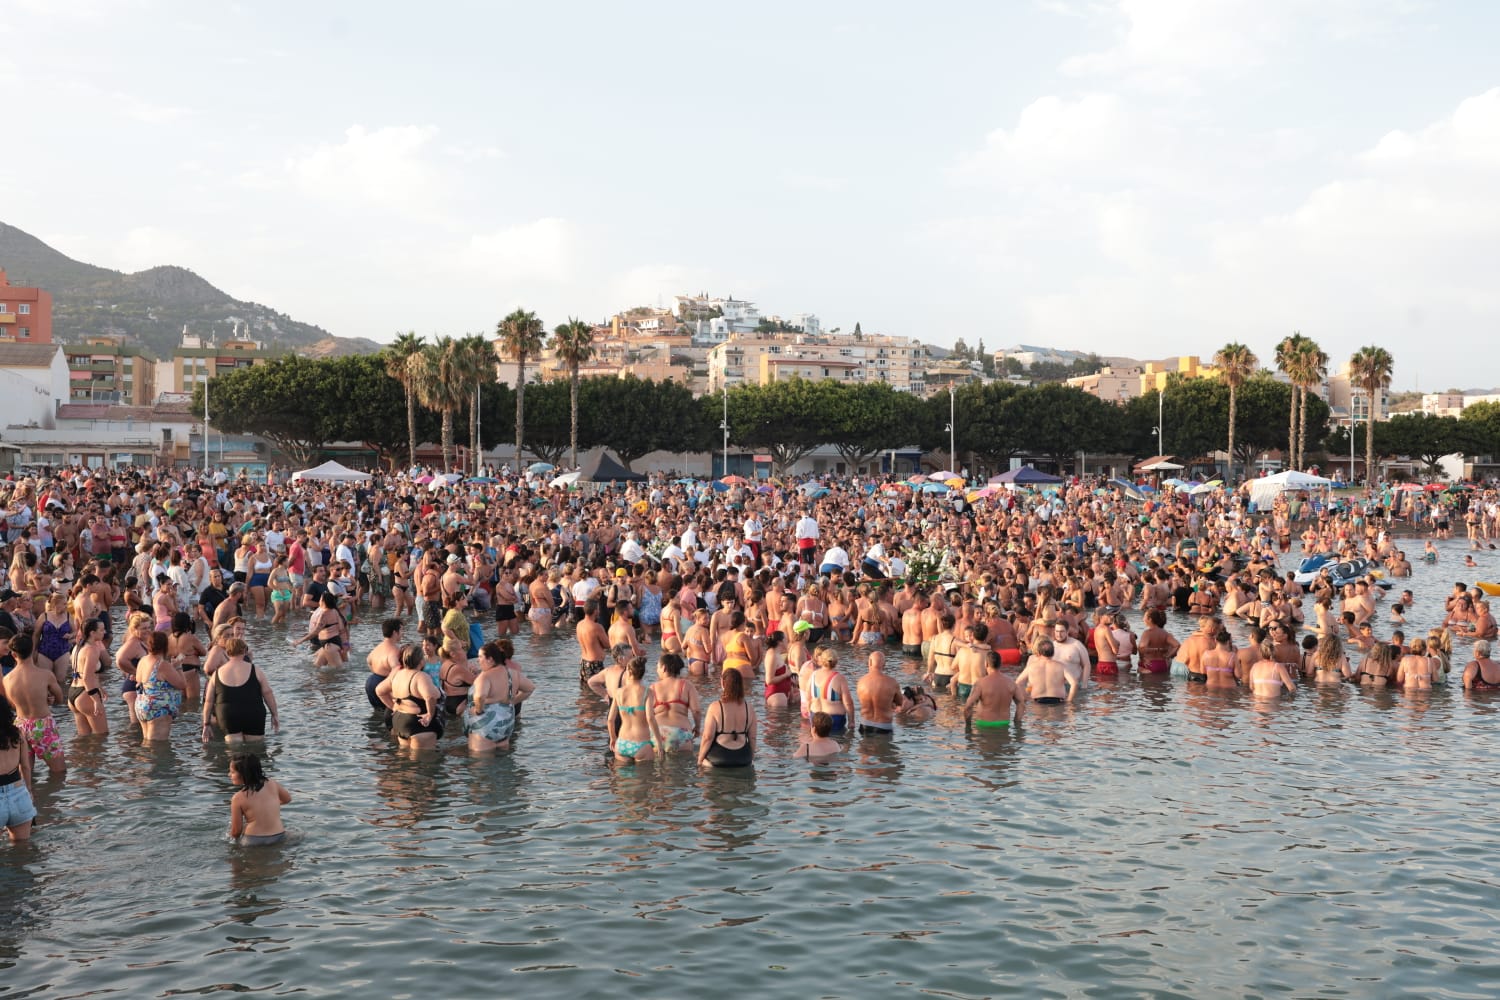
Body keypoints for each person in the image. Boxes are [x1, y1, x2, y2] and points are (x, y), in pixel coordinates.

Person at [2, 633, 65, 777]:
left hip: (20, 726)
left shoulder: (7, 679)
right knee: (59, 773)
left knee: (26, 773)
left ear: (13, 654)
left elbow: (12, 705)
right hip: (43, 725)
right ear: (32, 650)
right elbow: (60, 698)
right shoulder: (45, 675)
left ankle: (32, 797)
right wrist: (48, 699)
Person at [202, 637, 279, 743]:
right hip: (253, 713)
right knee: (255, 748)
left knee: (234, 751)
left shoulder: (217, 674)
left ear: (227, 652)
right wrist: (274, 715)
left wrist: (206, 724)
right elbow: (268, 693)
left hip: (228, 715)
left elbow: (209, 701)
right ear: (244, 650)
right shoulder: (255, 670)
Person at [466, 640, 533, 753]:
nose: (478, 660)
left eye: (480, 657)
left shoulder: (484, 677)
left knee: (481, 767)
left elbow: (480, 696)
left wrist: (477, 710)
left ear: (490, 659)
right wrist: (512, 701)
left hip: (485, 727)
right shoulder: (512, 673)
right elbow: (530, 688)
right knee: (504, 764)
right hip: (505, 725)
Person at [377, 643, 444, 749]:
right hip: (418, 724)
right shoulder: (421, 676)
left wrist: (393, 706)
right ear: (421, 661)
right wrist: (430, 714)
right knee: (423, 761)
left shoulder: (397, 674)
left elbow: (379, 691)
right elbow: (430, 696)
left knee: (404, 758)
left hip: (400, 721)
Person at [228, 752, 291, 847]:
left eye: (232, 772)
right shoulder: (272, 783)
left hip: (253, 841)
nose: (229, 775)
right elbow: (287, 799)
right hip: (279, 836)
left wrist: (229, 838)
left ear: (243, 774)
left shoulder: (238, 798)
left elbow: (236, 831)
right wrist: (269, 806)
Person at [134, 630, 186, 741]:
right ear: (165, 646)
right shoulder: (163, 665)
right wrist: (178, 666)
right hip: (158, 708)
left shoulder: (142, 660)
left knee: (147, 742)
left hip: (142, 705)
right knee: (157, 747)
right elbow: (182, 684)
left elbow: (138, 680)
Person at [698, 668, 755, 769]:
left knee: (705, 765)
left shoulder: (715, 707)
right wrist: (751, 758)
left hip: (720, 758)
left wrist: (699, 760)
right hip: (743, 758)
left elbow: (707, 737)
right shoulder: (749, 708)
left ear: (723, 683)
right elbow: (752, 738)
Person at [607, 655, 661, 762]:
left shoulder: (618, 692)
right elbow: (650, 718)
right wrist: (659, 742)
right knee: (645, 777)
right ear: (643, 673)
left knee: (623, 778)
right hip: (641, 744)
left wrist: (613, 738)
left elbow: (610, 720)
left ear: (628, 671)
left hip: (622, 743)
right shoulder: (647, 692)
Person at [0, 692, 37, 842]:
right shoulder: (17, 733)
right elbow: (26, 767)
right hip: (19, 795)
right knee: (22, 852)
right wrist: (28, 790)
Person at [651, 653, 701, 752]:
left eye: (658, 667)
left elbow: (647, 715)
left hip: (657, 734)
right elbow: (696, 711)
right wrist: (697, 727)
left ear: (664, 668)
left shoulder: (652, 688)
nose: (656, 670)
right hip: (680, 733)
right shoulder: (687, 685)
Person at [67, 619, 109, 735]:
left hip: (73, 693)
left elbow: (81, 672)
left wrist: (99, 687)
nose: (104, 632)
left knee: (84, 738)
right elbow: (86, 677)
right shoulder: (92, 649)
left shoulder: (78, 647)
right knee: (102, 736)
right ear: (92, 633)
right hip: (86, 694)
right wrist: (96, 700)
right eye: (101, 630)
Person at [965, 649, 1025, 729]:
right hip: (1004, 724)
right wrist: (1016, 723)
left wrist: (968, 727)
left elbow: (968, 705)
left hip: (984, 724)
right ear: (1000, 664)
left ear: (986, 664)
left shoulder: (980, 683)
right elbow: (1021, 703)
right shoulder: (1011, 683)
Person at [806, 645, 855, 733]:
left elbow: (808, 699)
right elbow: (848, 703)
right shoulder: (839, 678)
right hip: (834, 719)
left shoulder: (813, 675)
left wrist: (810, 716)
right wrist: (851, 721)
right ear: (836, 661)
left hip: (815, 716)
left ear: (822, 660)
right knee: (836, 743)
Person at [855, 648, 901, 736]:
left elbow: (862, 701)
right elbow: (899, 703)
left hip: (865, 724)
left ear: (869, 663)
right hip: (884, 726)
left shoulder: (860, 682)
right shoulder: (892, 682)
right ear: (884, 664)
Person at [1016, 639, 1077, 704]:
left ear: (1038, 653)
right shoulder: (1061, 666)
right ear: (1053, 652)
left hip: (1037, 702)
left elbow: (1018, 683)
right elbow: (1074, 683)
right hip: (1058, 701)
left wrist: (1026, 697)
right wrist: (1069, 700)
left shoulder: (1031, 667)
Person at [169, 612, 207, 703]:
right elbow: (203, 652)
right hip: (190, 670)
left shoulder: (169, 638)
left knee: (182, 701)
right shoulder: (190, 637)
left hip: (176, 670)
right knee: (193, 701)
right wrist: (193, 652)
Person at [762, 630, 795, 708]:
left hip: (781, 694)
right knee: (780, 719)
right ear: (780, 642)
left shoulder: (777, 653)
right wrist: (786, 675)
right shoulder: (772, 655)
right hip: (777, 695)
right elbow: (769, 680)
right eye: (786, 639)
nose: (787, 641)